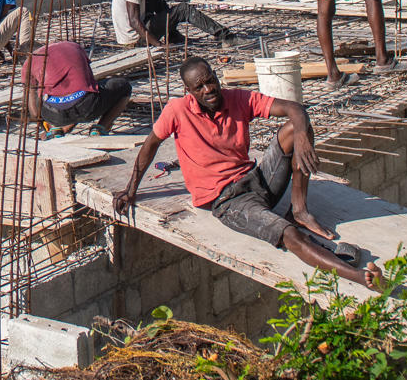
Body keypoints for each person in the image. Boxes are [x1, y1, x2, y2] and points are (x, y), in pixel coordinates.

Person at [113, 57, 381, 288]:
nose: (209, 90)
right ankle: (360, 277)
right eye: (199, 87)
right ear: (189, 91)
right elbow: (150, 146)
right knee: (288, 235)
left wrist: (301, 136)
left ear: (216, 76)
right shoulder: (177, 110)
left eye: (210, 81)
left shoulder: (236, 98)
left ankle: (299, 210)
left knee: (298, 128)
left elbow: (293, 108)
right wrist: (131, 189)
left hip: (256, 180)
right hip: (228, 200)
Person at [22, 40, 131, 135]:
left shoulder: (28, 65)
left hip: (54, 115)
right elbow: (88, 83)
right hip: (88, 107)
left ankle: (55, 130)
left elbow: (34, 114)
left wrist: (42, 127)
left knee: (41, 95)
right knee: (124, 87)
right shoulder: (72, 46)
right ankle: (100, 128)